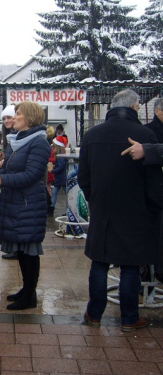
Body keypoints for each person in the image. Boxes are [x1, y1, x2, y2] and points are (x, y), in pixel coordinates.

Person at [79, 89, 163, 332]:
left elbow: (84, 177)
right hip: (135, 212)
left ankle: (94, 314)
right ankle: (129, 318)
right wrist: (153, 207)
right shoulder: (145, 134)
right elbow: (153, 182)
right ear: (135, 107)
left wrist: (94, 200)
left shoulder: (91, 135)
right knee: (129, 266)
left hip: (102, 209)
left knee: (99, 263)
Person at [0, 101, 49, 310]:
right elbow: (10, 170)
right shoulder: (17, 140)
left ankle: (30, 295)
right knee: (20, 249)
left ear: (29, 117)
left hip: (29, 204)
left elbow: (31, 175)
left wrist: (1, 181)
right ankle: (26, 290)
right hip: (15, 203)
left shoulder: (39, 142)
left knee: (29, 250)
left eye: (17, 114)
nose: (12, 118)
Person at [0, 104, 18, 260]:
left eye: (9, 117)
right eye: (4, 118)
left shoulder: (18, 135)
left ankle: (16, 249)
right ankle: (13, 248)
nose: (6, 121)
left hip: (14, 181)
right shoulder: (9, 136)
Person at [49, 135, 68, 217]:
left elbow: (61, 167)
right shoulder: (61, 154)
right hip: (61, 178)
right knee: (63, 193)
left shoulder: (60, 156)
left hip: (60, 178)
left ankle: (51, 209)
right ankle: (52, 209)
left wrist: (53, 171)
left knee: (56, 193)